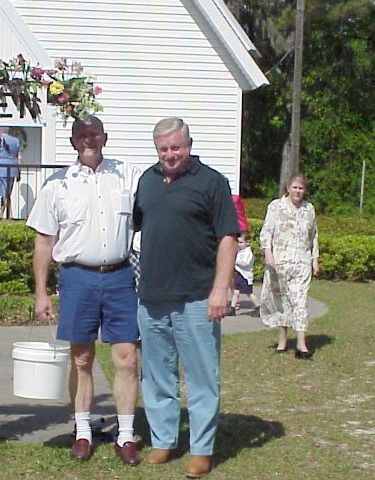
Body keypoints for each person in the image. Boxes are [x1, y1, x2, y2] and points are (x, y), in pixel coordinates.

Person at [26, 116, 142, 466]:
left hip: (120, 276)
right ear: (74, 142)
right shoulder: (58, 185)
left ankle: (125, 435)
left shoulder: (128, 176)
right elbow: (44, 240)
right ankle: (82, 432)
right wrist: (41, 292)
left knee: (128, 358)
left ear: (105, 137)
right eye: (82, 135)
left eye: (94, 134)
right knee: (81, 358)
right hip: (77, 278)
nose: (89, 140)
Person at [133, 117, 239, 478]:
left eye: (176, 147)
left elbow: (228, 238)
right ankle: (163, 441)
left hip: (197, 297)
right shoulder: (147, 181)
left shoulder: (212, 182)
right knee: (156, 375)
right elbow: (135, 226)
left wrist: (220, 289)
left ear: (189, 145)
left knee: (201, 378)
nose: (170, 154)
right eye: (163, 149)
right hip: (152, 296)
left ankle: (201, 449)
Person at [259, 172, 319, 359]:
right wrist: (268, 252)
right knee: (281, 302)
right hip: (279, 263)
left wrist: (314, 260)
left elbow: (313, 236)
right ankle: (282, 340)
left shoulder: (309, 209)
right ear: (288, 188)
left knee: (300, 302)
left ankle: (301, 344)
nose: (298, 191)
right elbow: (267, 231)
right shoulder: (276, 207)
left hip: (301, 263)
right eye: (295, 187)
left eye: (301, 188)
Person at [0, 126, 22, 220]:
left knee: (5, 193)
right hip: (13, 168)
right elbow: (20, 158)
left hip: (2, 168)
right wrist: (19, 171)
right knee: (7, 193)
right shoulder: (16, 141)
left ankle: (5, 214)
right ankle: (7, 214)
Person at [227, 232, 261, 317]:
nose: (239, 244)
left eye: (241, 242)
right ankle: (232, 309)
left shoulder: (247, 252)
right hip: (239, 274)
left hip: (245, 276)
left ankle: (258, 307)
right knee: (236, 292)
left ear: (247, 242)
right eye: (238, 242)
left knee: (249, 293)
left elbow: (245, 263)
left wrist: (234, 261)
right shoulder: (239, 251)